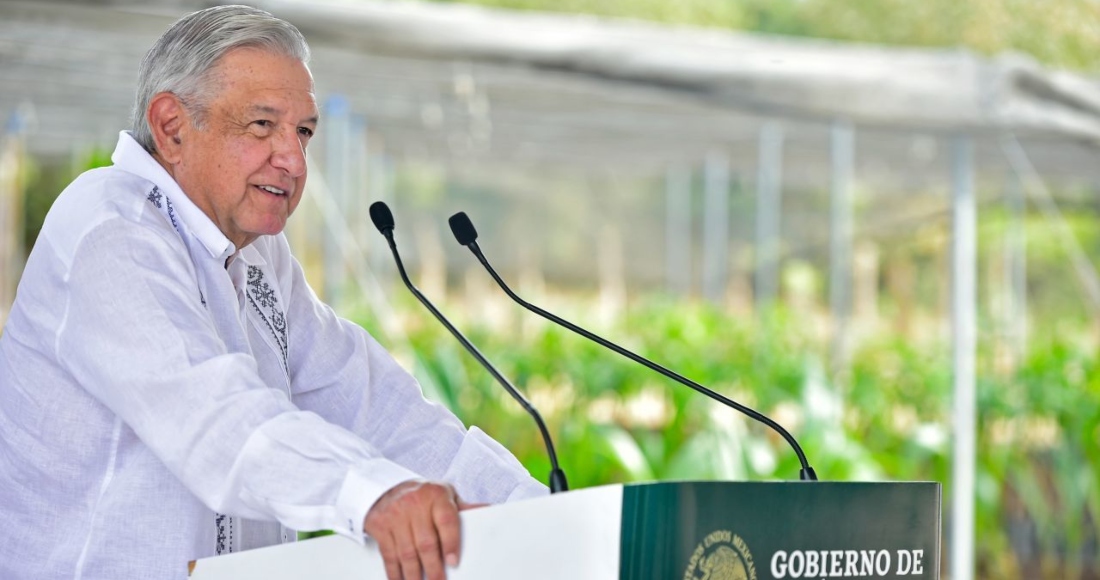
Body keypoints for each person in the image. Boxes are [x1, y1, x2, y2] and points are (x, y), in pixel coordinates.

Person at [0, 5, 546, 580]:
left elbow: (377, 409)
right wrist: (374, 495)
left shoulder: (259, 255)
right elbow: (216, 420)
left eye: (303, 132)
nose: (293, 160)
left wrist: (537, 513)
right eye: (262, 125)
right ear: (172, 127)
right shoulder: (110, 227)